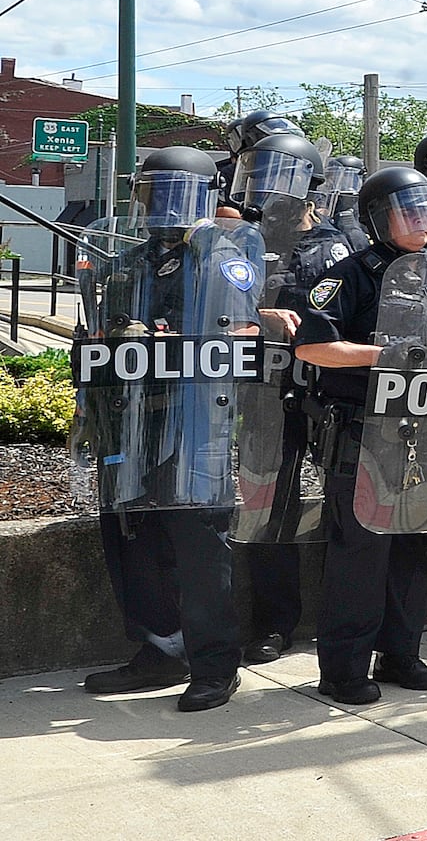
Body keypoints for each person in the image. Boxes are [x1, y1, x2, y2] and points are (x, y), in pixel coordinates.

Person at [292, 166, 427, 704]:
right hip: (364, 433)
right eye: (409, 210)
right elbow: (313, 347)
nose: (422, 221)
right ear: (379, 219)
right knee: (361, 557)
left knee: (414, 551)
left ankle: (402, 654)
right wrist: (388, 355)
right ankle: (344, 670)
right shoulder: (350, 275)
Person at [76, 147, 251, 712]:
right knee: (138, 544)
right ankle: (158, 651)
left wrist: (176, 345)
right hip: (132, 420)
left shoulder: (223, 258)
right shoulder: (129, 258)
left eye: (175, 193)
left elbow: (242, 336)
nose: (162, 207)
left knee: (200, 547)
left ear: (205, 197)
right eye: (153, 194)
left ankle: (215, 664)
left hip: (197, 419)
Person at [227, 131, 353, 665]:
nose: (260, 191)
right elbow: (217, 309)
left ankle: (342, 619)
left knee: (345, 509)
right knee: (265, 508)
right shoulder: (241, 241)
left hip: (326, 394)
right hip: (262, 392)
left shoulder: (339, 246)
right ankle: (274, 624)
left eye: (271, 178)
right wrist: (258, 316)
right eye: (253, 178)